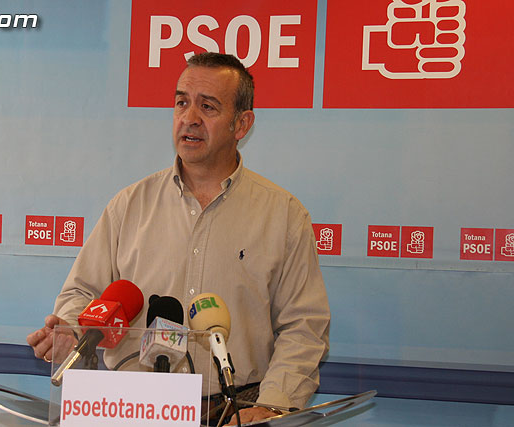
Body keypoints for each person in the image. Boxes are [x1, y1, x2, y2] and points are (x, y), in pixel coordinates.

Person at [27, 52, 330, 424]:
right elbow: (82, 292)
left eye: (208, 107)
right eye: (182, 103)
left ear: (241, 124)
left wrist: (272, 405)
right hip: (135, 407)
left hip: (237, 411)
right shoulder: (129, 205)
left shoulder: (283, 215)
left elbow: (303, 327)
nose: (190, 118)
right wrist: (71, 332)